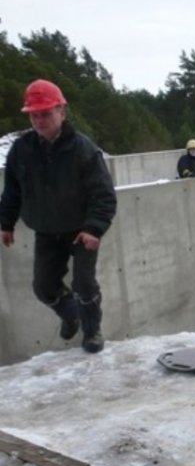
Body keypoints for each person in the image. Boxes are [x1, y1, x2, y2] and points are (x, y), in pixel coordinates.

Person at [0, 79, 117, 353]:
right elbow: (13, 190)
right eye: (34, 115)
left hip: (80, 231)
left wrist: (93, 229)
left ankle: (91, 332)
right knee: (43, 286)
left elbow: (104, 195)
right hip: (46, 230)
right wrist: (6, 223)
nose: (39, 120)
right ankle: (70, 314)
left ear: (62, 112)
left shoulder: (82, 149)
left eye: (46, 113)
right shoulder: (22, 150)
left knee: (84, 284)